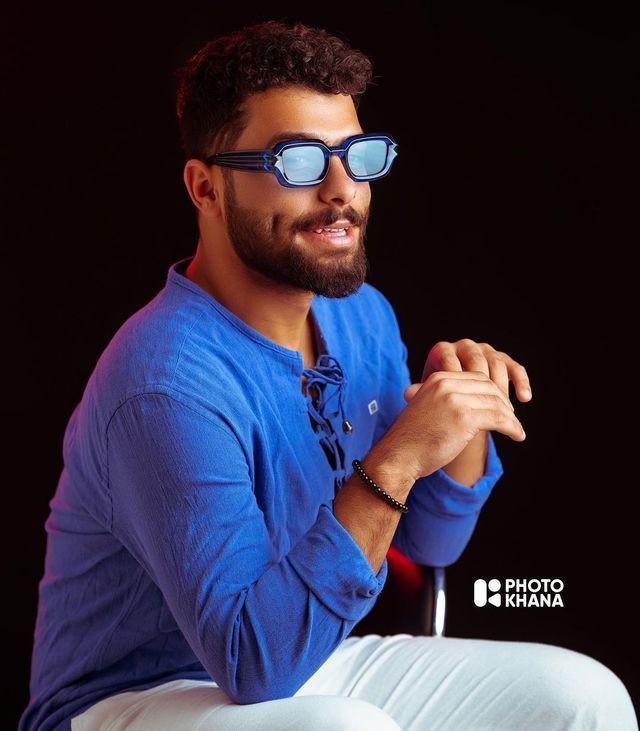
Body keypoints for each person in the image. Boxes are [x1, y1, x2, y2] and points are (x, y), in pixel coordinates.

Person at [20, 19, 637, 731]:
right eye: (299, 161)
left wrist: (460, 419)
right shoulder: (164, 383)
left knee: (582, 695)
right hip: (137, 695)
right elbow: (251, 662)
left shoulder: (361, 315)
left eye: (357, 155)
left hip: (309, 652)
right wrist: (398, 457)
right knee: (345, 729)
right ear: (206, 187)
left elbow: (430, 546)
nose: (343, 190)